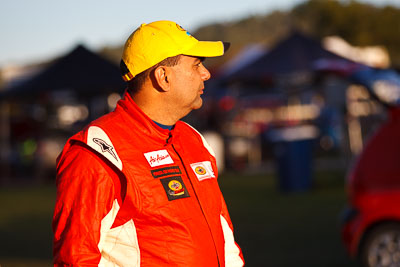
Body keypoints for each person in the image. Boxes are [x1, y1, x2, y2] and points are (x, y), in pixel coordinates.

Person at [52, 20, 244, 267]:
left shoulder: (193, 138)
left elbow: (223, 232)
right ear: (163, 77)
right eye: (196, 65)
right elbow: (76, 258)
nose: (206, 74)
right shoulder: (98, 151)